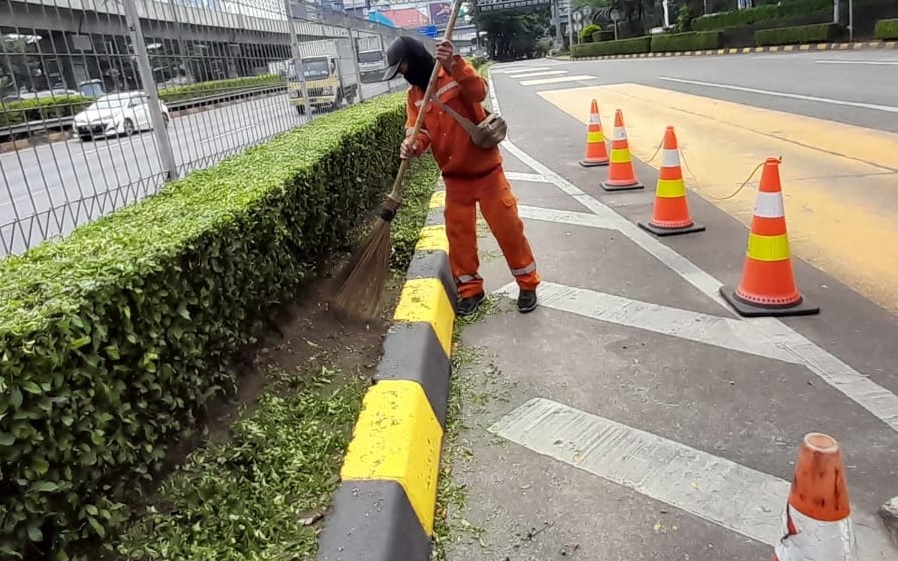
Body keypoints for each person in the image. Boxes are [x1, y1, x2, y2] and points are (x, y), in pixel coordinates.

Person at [382, 35, 541, 316]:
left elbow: (478, 92)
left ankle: (527, 284)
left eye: (403, 68)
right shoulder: (414, 97)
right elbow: (419, 133)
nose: (404, 76)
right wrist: (412, 145)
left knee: (509, 229)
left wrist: (454, 63)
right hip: (454, 179)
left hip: (487, 172)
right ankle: (470, 291)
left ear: (415, 59)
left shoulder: (453, 72)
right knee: (459, 238)